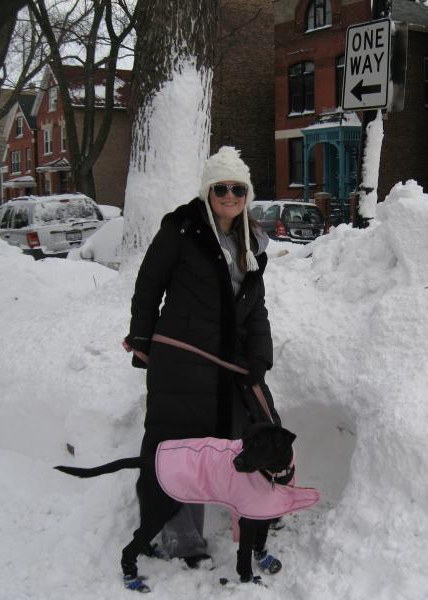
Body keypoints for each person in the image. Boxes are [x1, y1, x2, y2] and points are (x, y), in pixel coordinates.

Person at [123, 146, 273, 575]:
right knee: (179, 448)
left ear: (247, 194)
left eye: (238, 189)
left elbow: (255, 307)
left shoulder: (251, 241)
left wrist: (260, 356)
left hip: (229, 364)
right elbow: (149, 283)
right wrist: (141, 336)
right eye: (221, 188)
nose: (230, 196)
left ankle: (258, 516)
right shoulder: (181, 229)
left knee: (230, 442)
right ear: (208, 191)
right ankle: (182, 538)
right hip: (182, 362)